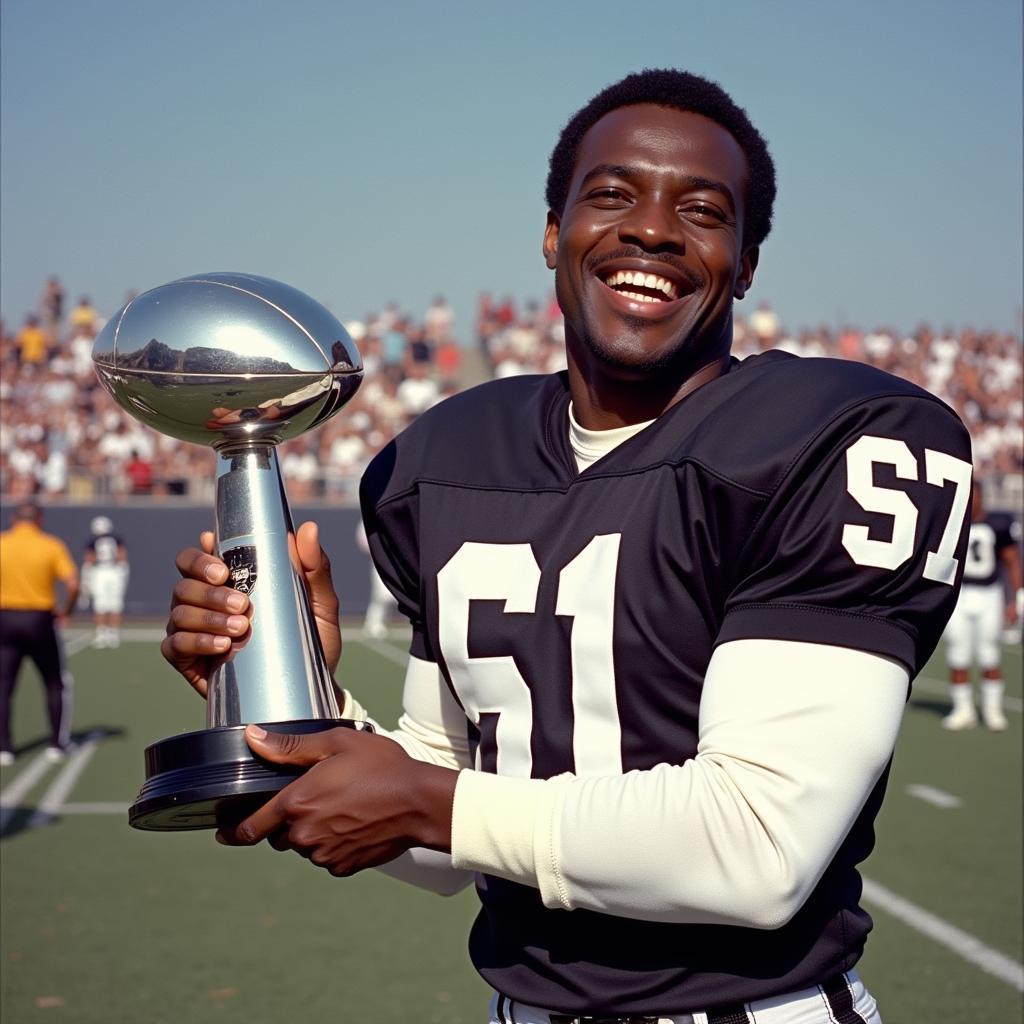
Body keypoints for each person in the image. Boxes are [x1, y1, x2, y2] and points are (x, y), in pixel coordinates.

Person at [162, 70, 973, 1023]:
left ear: (746, 262)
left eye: (703, 211)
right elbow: (441, 839)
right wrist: (297, 701)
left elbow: (758, 847)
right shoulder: (448, 459)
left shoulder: (831, 437)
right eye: (613, 194)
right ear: (554, 233)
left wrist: (428, 801)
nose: (654, 231)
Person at [0, 501, 79, 765]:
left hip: (5, 618)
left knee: (4, 685)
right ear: (40, 521)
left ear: (13, 520)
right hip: (39, 620)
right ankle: (57, 744)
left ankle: (5, 748)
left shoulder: (3, 543)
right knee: (54, 682)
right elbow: (73, 583)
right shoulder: (51, 545)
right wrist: (66, 610)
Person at [942, 480, 1022, 731]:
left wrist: (1014, 598)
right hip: (960, 594)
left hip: (989, 594)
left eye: (974, 495)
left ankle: (992, 710)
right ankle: (963, 709)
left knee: (989, 654)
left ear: (982, 497)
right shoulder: (952, 525)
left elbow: (1011, 561)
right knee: (958, 654)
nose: (971, 500)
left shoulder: (997, 524)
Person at [82, 515, 130, 649]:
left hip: (99, 572)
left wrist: (86, 579)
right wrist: (123, 572)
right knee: (115, 603)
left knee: (101, 603)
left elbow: (89, 560)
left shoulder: (92, 541)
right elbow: (122, 557)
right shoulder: (116, 539)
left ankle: (101, 633)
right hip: (114, 571)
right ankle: (113, 633)